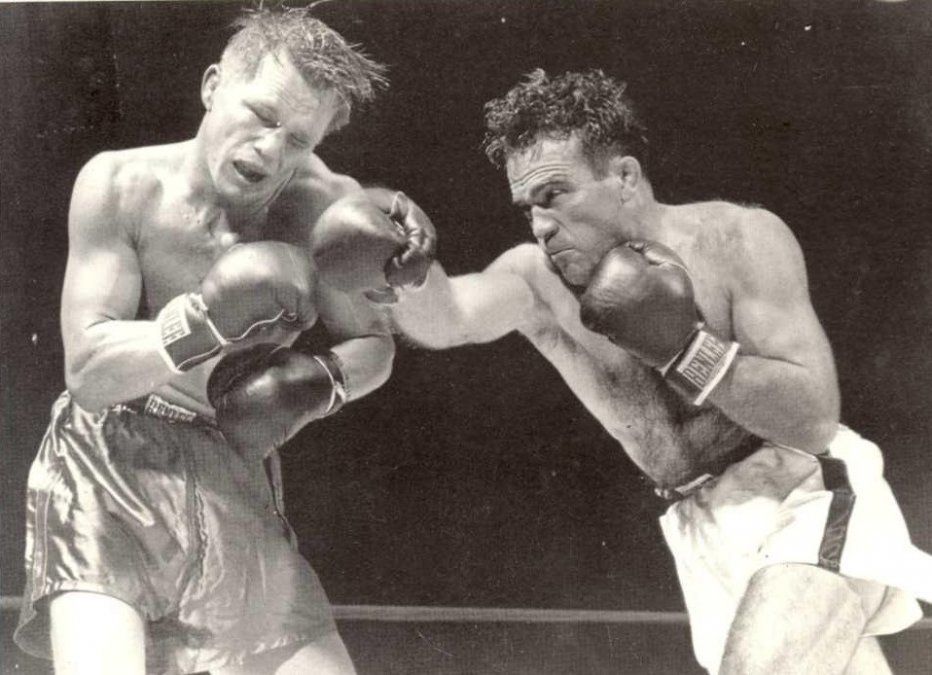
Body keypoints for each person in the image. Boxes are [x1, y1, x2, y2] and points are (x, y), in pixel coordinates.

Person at [389, 69, 932, 674]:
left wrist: (684, 351)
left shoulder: (737, 238)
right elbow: (446, 320)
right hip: (700, 526)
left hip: (802, 494)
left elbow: (812, 418)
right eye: (527, 208)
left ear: (623, 177)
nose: (540, 226)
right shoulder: (535, 279)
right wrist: (403, 269)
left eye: (554, 196)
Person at [14, 8, 434, 675]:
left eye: (298, 139)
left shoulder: (324, 209)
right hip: (106, 460)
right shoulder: (121, 185)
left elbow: (374, 348)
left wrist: (319, 383)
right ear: (213, 86)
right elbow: (90, 371)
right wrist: (205, 322)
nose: (271, 150)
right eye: (261, 115)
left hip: (229, 463)